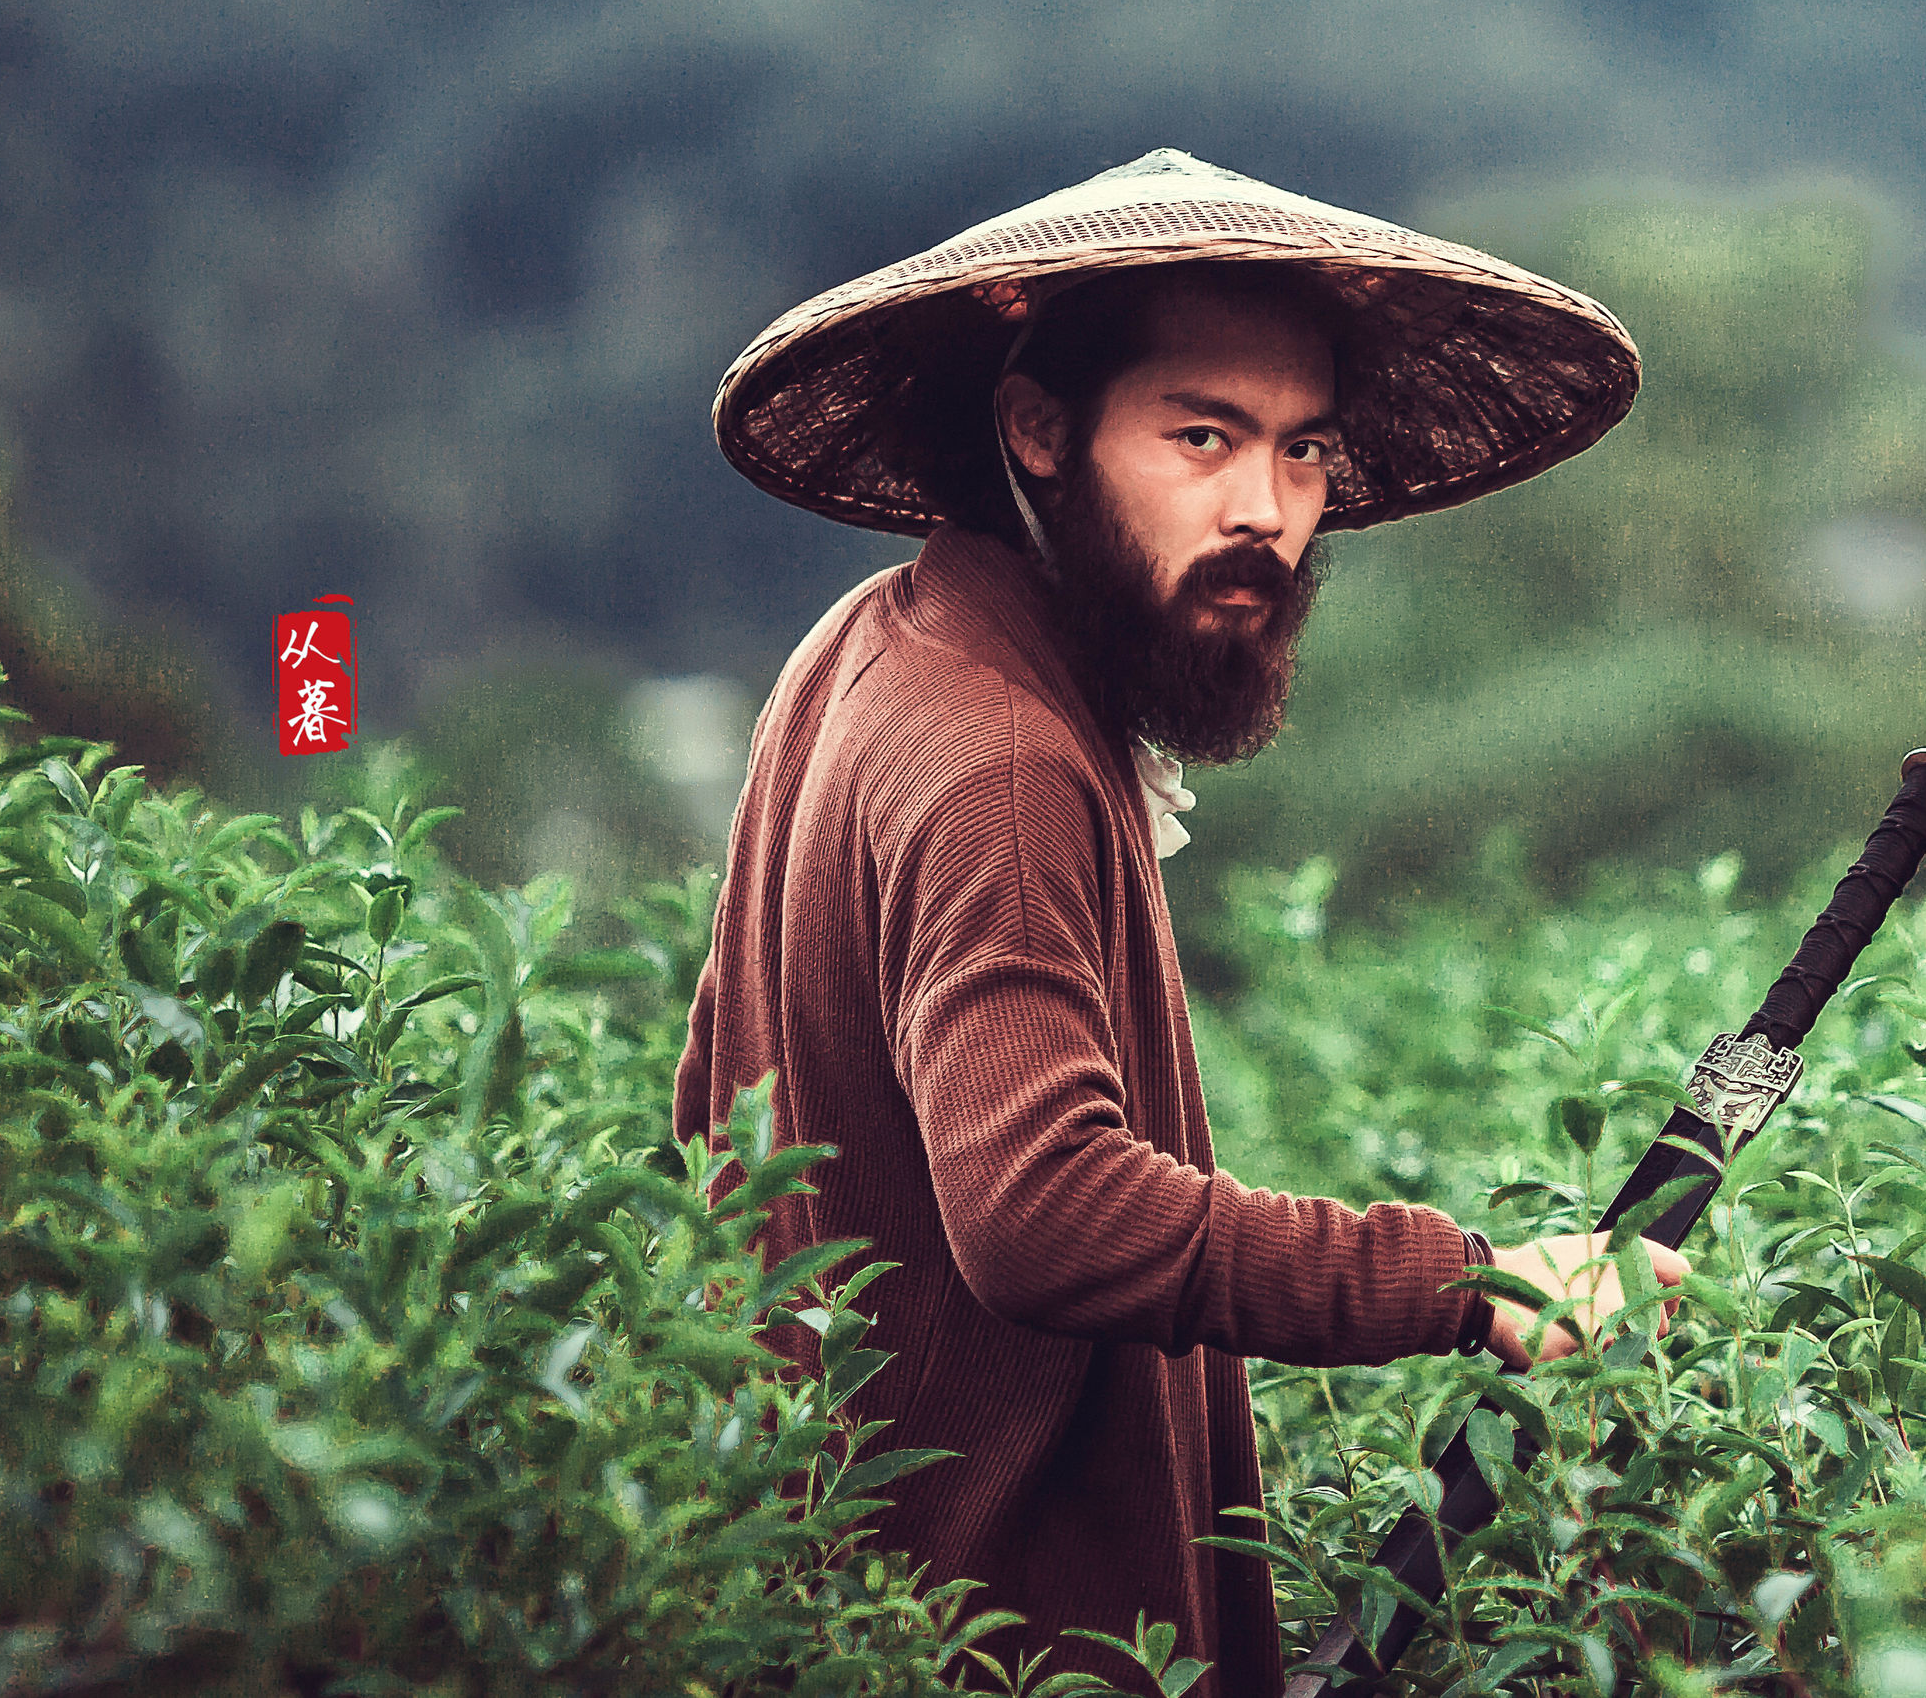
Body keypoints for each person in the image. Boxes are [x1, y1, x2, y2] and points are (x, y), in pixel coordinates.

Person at [677, 147, 1686, 1696]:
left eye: (1299, 453)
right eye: (1200, 438)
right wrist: (1475, 1281)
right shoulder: (999, 755)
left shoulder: (873, 646)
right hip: (1006, 1643)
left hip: (843, 1605)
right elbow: (1048, 1213)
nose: (1266, 514)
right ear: (1038, 429)